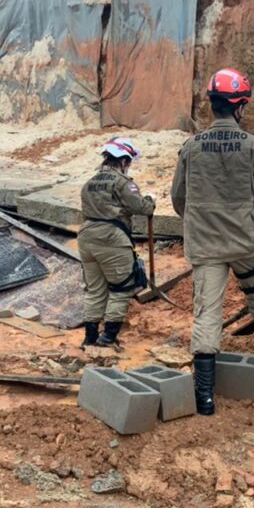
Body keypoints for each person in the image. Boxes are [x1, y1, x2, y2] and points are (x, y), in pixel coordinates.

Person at [172, 68, 254, 416]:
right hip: (245, 243)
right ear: (240, 107)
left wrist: (200, 222)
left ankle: (205, 398)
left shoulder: (191, 147)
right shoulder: (253, 146)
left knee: (208, 314)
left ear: (212, 106)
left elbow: (178, 198)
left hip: (206, 245)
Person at [78, 137, 155, 349]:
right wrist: (150, 200)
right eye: (128, 162)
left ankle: (90, 337)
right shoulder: (123, 182)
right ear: (123, 161)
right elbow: (142, 208)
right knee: (121, 288)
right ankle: (108, 338)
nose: (128, 167)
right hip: (111, 238)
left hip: (86, 238)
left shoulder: (89, 183)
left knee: (95, 290)